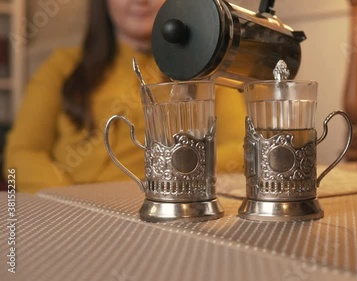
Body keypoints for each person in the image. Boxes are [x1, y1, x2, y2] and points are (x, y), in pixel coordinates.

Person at [3, 0, 246, 193]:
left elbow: (239, 149)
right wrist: (68, 200)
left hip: (164, 213)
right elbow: (22, 153)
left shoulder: (204, 70)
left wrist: (159, 182)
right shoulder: (61, 67)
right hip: (71, 216)